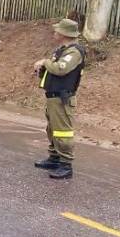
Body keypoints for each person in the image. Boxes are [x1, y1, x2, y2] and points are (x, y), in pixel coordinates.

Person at [33, 19, 85, 180]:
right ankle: (54, 157)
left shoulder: (74, 52)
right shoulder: (62, 50)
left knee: (63, 132)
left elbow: (61, 69)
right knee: (52, 129)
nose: (54, 33)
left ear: (64, 34)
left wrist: (45, 62)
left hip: (62, 98)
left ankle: (66, 164)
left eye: (57, 31)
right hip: (53, 96)